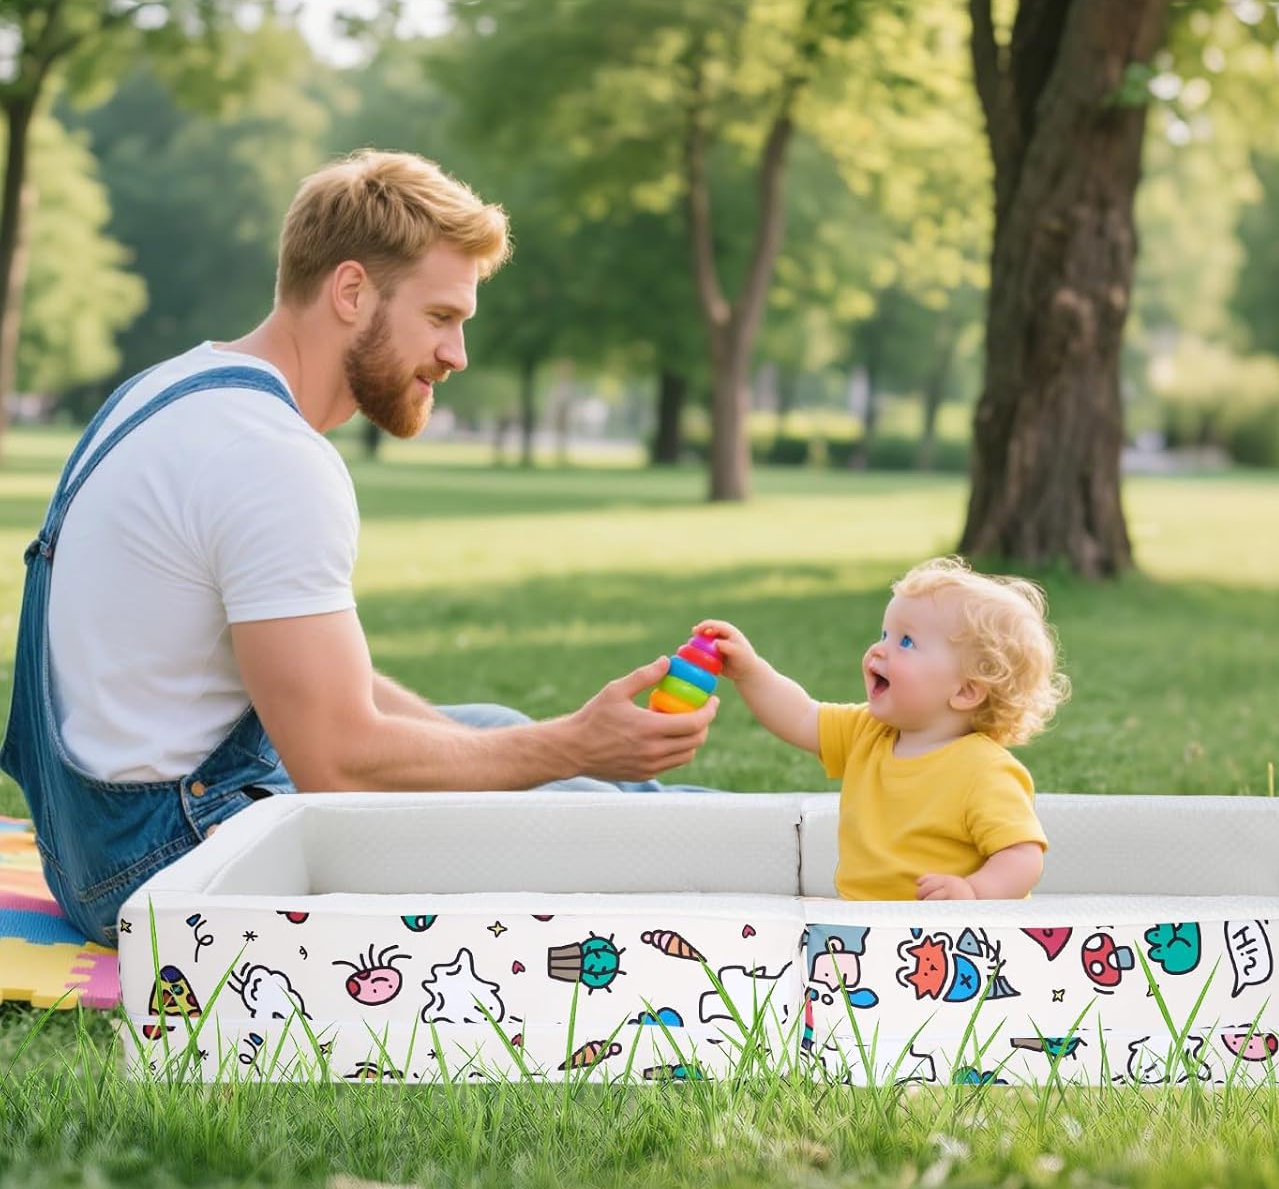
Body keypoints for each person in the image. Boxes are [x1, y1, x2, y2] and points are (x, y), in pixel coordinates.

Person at [0, 150, 717, 946]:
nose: (456, 355)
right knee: (563, 817)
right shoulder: (272, 459)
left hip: (91, 844)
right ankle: (804, 869)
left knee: (492, 726)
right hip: (161, 871)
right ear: (351, 291)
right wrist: (574, 745)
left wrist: (521, 745)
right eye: (441, 318)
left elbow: (304, 675)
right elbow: (337, 764)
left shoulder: (168, 390)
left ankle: (797, 834)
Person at [695, 557, 1068, 901]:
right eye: (885, 634)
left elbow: (1022, 855)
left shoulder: (984, 771)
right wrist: (750, 671)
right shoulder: (867, 731)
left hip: (942, 936)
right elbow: (800, 716)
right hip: (860, 922)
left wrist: (973, 892)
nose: (878, 650)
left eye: (906, 641)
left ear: (966, 690)